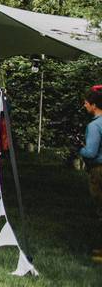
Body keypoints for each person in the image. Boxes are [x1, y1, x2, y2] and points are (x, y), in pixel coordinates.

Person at [79, 87, 102, 262]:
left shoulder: (94, 125)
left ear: (94, 105)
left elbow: (91, 152)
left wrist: (81, 148)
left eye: (86, 103)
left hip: (98, 170)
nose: (85, 105)